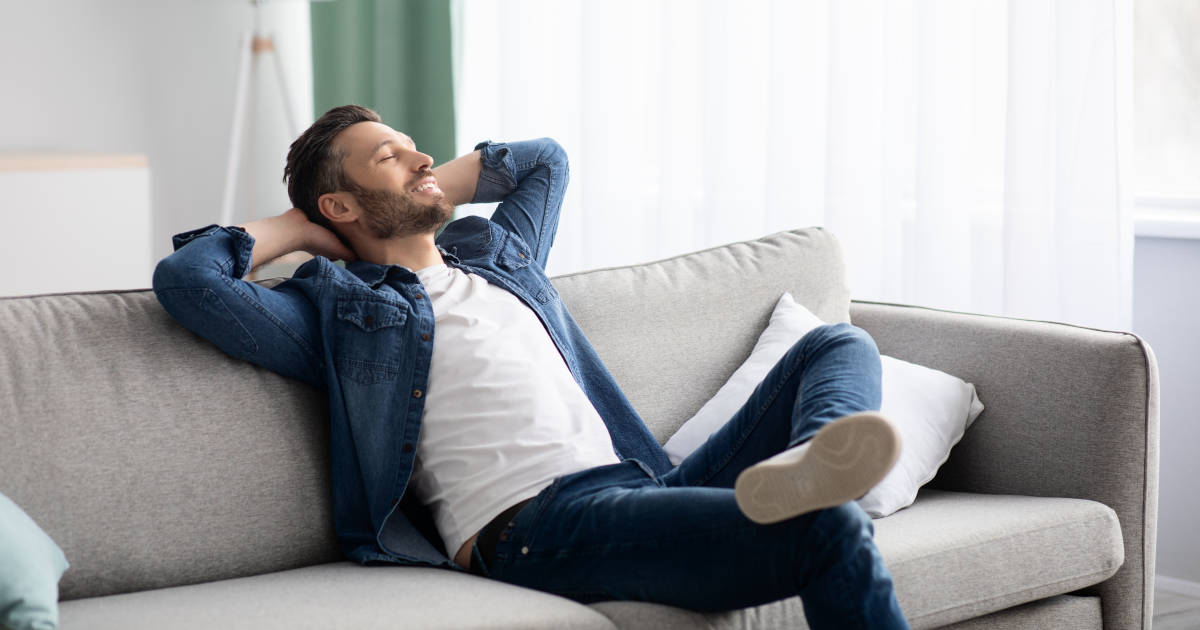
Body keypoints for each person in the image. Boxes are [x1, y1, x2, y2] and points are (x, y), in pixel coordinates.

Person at [153, 104, 910, 629]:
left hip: (642, 485)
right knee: (831, 532)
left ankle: (816, 457)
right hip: (536, 527)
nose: (423, 158)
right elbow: (190, 281)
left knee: (836, 344)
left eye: (417, 148)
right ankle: (817, 493)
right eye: (391, 156)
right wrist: (304, 228)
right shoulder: (341, 317)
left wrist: (413, 184)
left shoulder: (501, 259)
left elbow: (544, 162)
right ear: (339, 205)